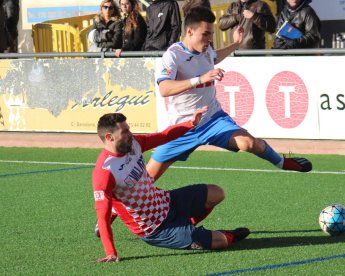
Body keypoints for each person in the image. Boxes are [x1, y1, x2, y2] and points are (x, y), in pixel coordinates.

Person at [145, 6, 312, 182]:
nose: (210, 39)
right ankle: (121, 207)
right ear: (189, 31)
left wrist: (236, 44)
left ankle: (282, 163)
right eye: (206, 34)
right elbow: (164, 88)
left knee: (248, 143)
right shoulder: (173, 55)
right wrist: (200, 79)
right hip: (183, 127)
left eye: (211, 33)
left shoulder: (205, 48)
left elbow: (214, 57)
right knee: (148, 179)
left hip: (213, 119)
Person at [93, 110, 250, 262]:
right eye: (125, 131)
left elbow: (163, 136)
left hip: (166, 202)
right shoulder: (104, 172)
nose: (130, 134)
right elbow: (102, 217)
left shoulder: (134, 144)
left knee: (217, 193)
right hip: (155, 228)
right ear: (109, 137)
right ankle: (224, 234)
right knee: (221, 241)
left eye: (129, 129)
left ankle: (186, 225)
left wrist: (190, 124)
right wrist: (111, 252)